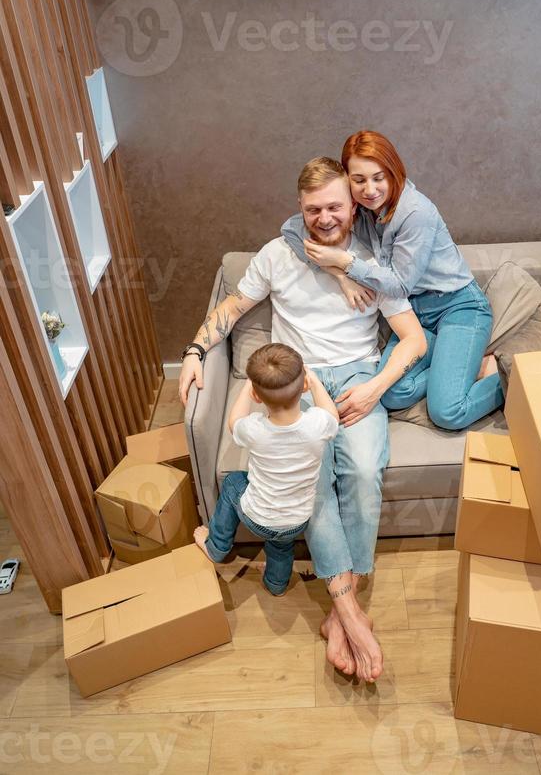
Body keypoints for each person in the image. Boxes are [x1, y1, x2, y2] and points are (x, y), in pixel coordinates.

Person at [179, 157, 427, 683]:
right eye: (314, 208)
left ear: (352, 203)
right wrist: (196, 350)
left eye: (335, 206)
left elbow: (414, 339)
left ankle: (342, 613)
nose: (325, 217)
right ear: (299, 206)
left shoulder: (369, 259)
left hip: (359, 378)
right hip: (300, 385)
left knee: (361, 473)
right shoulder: (277, 255)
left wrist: (374, 387)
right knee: (310, 485)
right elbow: (230, 308)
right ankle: (352, 616)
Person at [282, 131, 504, 430]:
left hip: (457, 309)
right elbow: (292, 228)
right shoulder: (361, 211)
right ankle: (460, 366)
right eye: (358, 180)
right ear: (347, 180)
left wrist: (346, 262)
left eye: (378, 177)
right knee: (395, 393)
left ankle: (510, 377)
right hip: (416, 319)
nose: (370, 189)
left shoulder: (416, 212)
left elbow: (399, 285)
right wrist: (341, 277)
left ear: (394, 171)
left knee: (448, 411)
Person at [194, 343, 339, 597]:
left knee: (232, 484)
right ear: (303, 385)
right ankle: (275, 585)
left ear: (257, 397)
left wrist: (249, 388)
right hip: (296, 522)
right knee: (281, 547)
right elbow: (332, 415)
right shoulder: (318, 425)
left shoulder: (255, 429)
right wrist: (315, 383)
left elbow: (233, 421)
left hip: (256, 517)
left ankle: (216, 547)